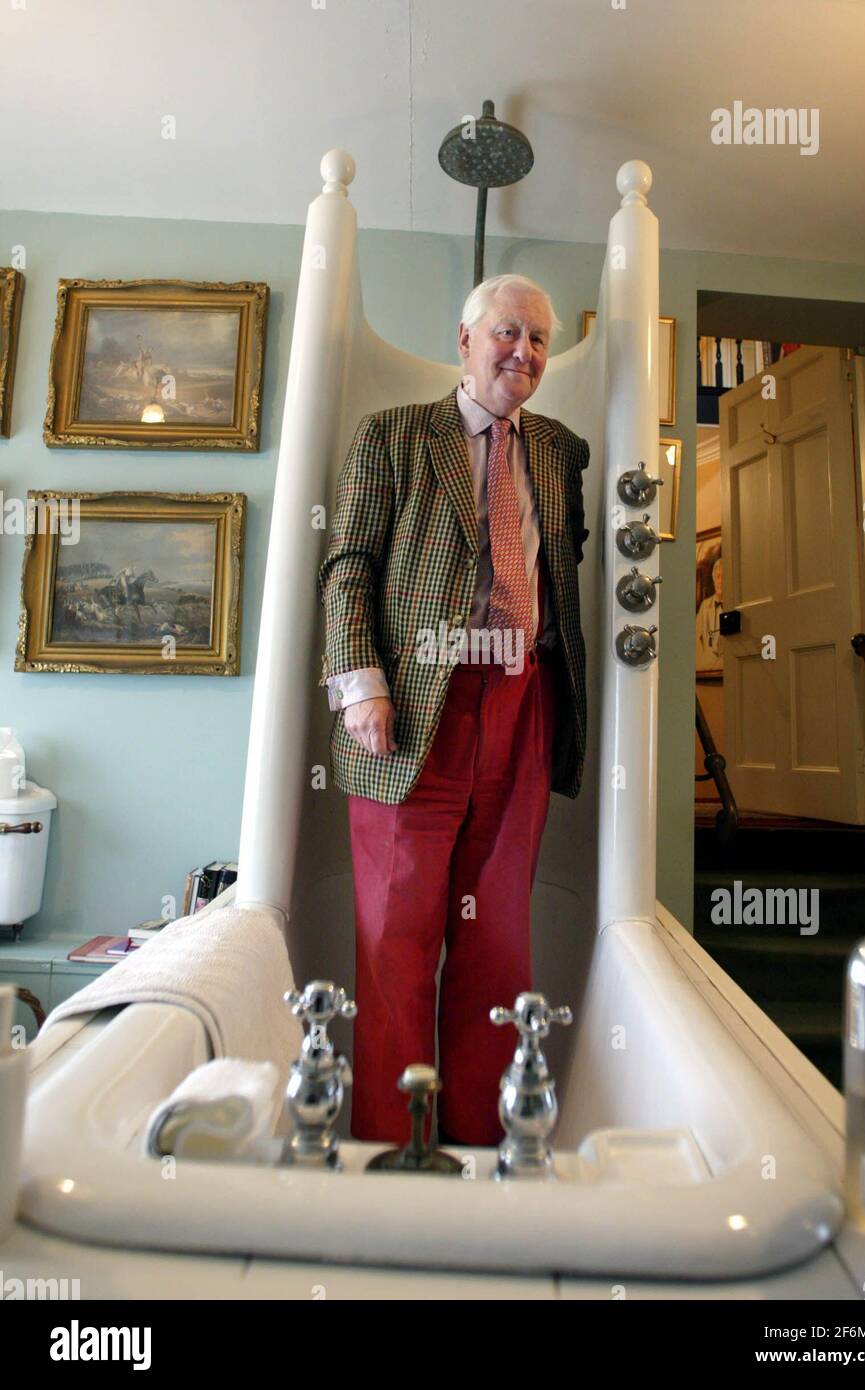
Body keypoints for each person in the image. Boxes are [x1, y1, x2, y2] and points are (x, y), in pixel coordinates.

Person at [317, 273, 590, 1146]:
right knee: (396, 938)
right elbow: (348, 564)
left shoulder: (557, 449)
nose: (527, 352)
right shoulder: (394, 436)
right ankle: (394, 1148)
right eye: (510, 333)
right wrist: (360, 682)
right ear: (466, 339)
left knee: (499, 940)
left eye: (542, 339)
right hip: (413, 707)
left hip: (523, 702)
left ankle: (477, 1146)